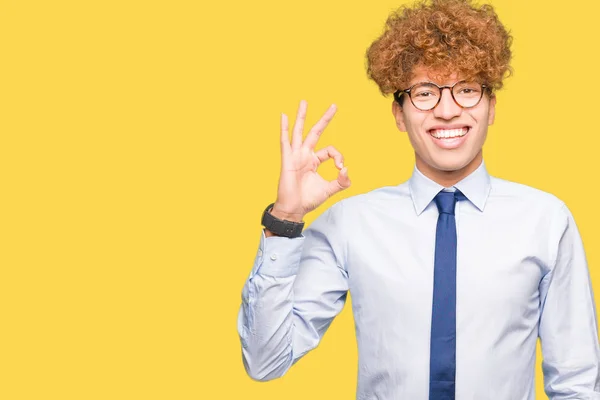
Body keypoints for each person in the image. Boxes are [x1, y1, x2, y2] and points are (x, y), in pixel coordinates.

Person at [237, 0, 600, 398]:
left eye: (466, 90)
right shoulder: (350, 224)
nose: (447, 110)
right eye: (425, 92)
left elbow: (578, 384)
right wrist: (285, 218)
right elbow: (265, 361)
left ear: (491, 106)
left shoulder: (546, 221)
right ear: (399, 113)